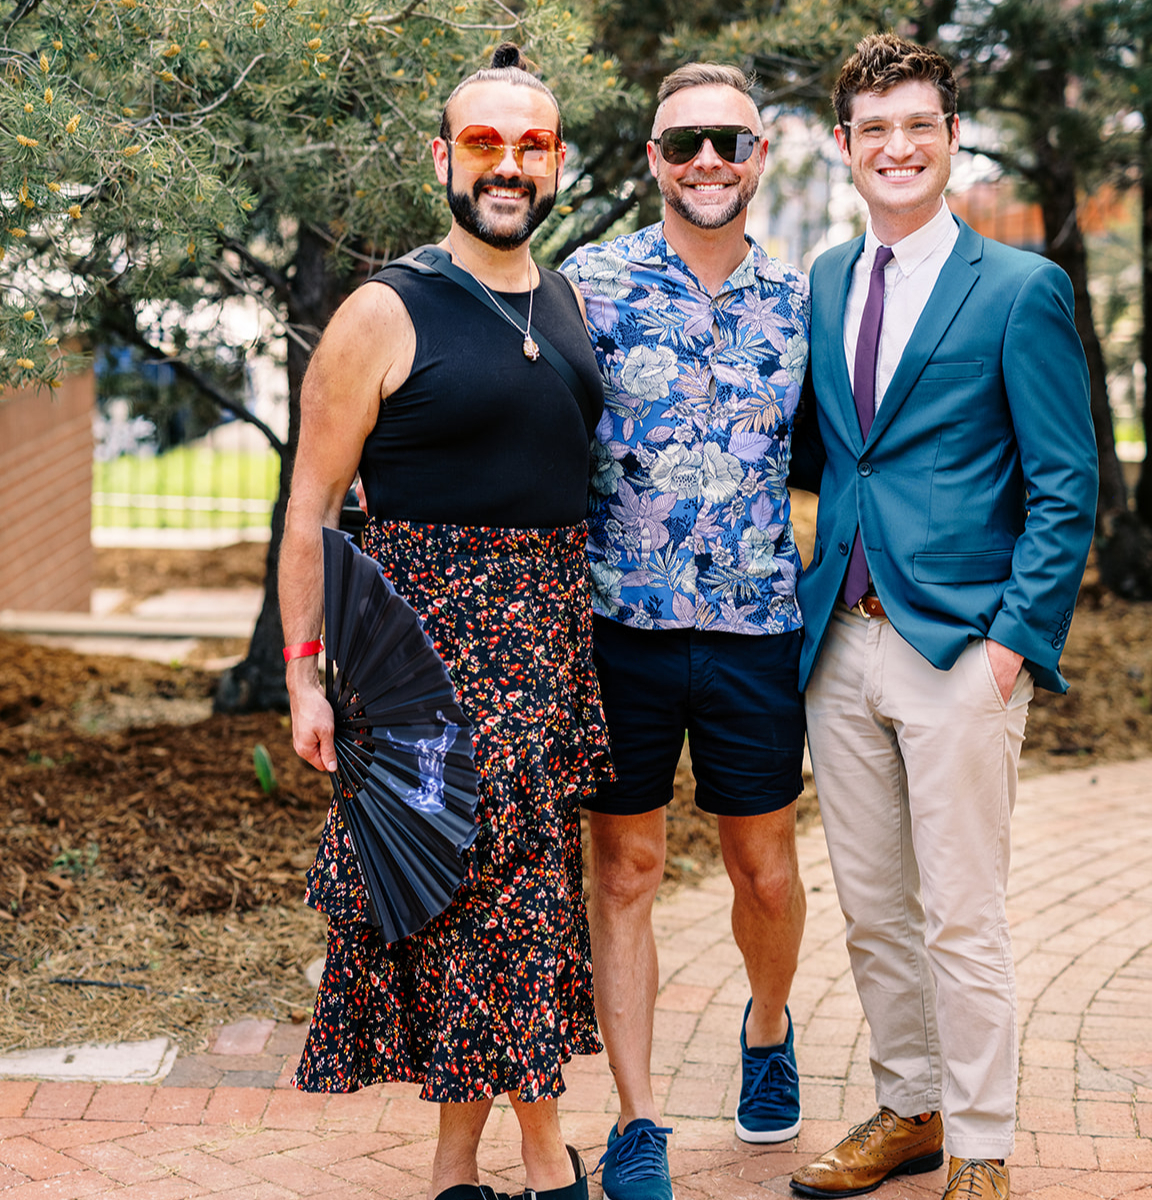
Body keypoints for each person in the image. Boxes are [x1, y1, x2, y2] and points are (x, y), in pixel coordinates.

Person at [279, 44, 610, 1200]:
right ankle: (546, 1159)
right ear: (442, 159)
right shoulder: (383, 310)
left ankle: (454, 1168)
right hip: (428, 657)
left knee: (510, 899)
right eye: (483, 143)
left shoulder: (567, 300)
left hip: (549, 648)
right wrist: (304, 675)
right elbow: (312, 505)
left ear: (555, 161)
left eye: (531, 145)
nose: (507, 165)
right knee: (488, 901)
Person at [788, 33, 1098, 1200]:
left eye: (919, 124)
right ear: (846, 145)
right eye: (875, 129)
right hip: (841, 643)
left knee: (962, 916)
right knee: (874, 911)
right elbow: (839, 455)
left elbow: (1066, 484)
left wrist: (1013, 644)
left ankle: (980, 1144)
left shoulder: (1019, 288)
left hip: (962, 648)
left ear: (953, 136)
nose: (899, 147)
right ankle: (910, 1109)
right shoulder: (826, 280)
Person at [562, 63, 810, 1200]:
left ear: (759, 156)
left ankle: (769, 1026)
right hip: (620, 628)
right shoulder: (588, 285)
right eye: (683, 143)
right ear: (653, 160)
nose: (707, 160)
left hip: (757, 626)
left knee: (765, 871)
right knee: (626, 872)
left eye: (729, 140)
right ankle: (638, 1118)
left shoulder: (801, 301)